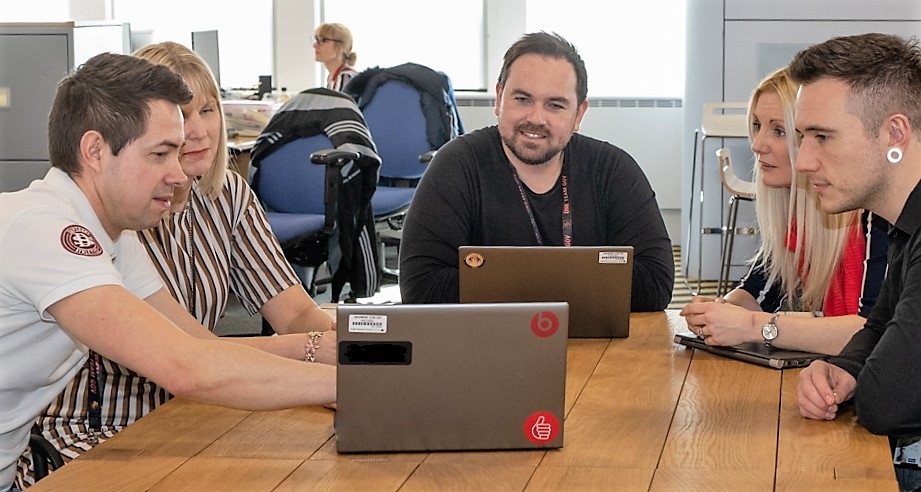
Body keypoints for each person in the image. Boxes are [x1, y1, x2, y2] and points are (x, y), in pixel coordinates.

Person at [0, 52, 337, 492]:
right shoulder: (46, 230)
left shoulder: (114, 236)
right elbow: (185, 368)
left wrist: (315, 348)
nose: (178, 174)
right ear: (95, 151)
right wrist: (359, 384)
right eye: (160, 154)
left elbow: (199, 347)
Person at [398, 31, 674, 310]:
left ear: (579, 114)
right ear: (498, 98)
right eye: (522, 99)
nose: (536, 119)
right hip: (490, 346)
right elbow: (421, 287)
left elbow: (655, 283)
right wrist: (584, 285)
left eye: (555, 105)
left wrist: (497, 284)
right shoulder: (456, 165)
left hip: (599, 345)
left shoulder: (612, 170)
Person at [788, 33, 921, 491]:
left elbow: (887, 402)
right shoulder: (903, 222)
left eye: (823, 137)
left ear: (895, 134)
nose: (804, 161)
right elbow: (879, 325)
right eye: (804, 137)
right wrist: (841, 370)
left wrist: (857, 377)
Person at [679, 67, 888, 356]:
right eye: (756, 126)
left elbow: (872, 331)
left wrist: (753, 325)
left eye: (778, 131)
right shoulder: (792, 213)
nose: (757, 145)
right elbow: (759, 289)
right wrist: (719, 313)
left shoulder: (874, 215)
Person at [314, 22, 358, 92]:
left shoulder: (346, 76)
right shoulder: (332, 78)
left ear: (341, 46)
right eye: (317, 40)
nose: (315, 45)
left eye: (323, 40)